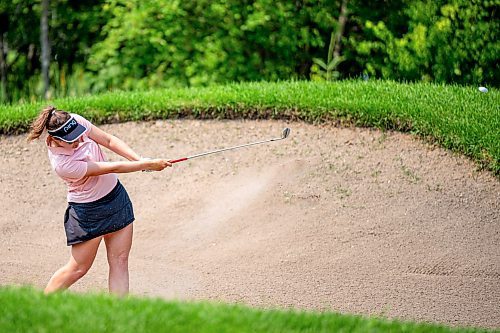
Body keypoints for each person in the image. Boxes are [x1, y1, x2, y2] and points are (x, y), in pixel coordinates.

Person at [27, 105, 171, 296]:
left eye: (79, 135)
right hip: (88, 213)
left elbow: (109, 140)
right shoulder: (63, 165)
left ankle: (118, 318)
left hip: (116, 199)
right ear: (55, 139)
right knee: (78, 269)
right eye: (71, 141)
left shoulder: (74, 122)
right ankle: (39, 305)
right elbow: (112, 167)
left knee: (120, 260)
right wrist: (144, 164)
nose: (79, 140)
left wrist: (142, 161)